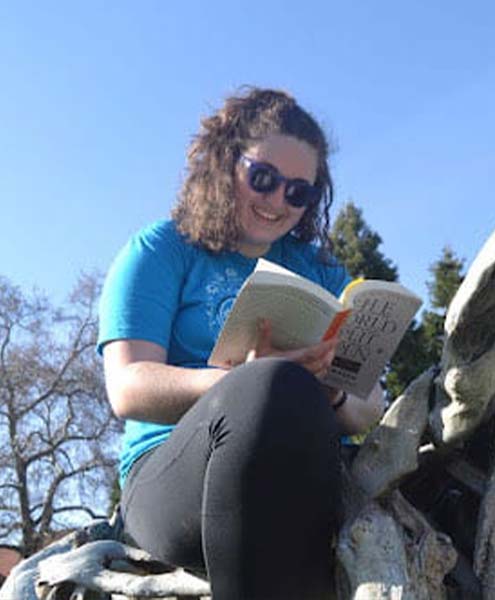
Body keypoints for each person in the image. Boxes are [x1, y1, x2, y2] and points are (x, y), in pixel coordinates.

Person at [98, 87, 384, 600]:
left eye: (299, 192)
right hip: (176, 480)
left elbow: (370, 406)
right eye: (264, 178)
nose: (278, 202)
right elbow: (128, 386)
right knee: (266, 388)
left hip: (313, 468)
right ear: (227, 163)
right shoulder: (162, 249)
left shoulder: (322, 271)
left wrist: (331, 391)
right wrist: (242, 380)